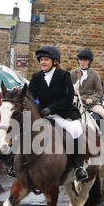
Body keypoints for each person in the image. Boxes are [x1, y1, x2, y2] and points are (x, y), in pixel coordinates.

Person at [29, 45, 88, 181]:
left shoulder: (63, 75)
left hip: (62, 113)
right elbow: (30, 96)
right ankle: (17, 163)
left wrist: (52, 109)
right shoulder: (36, 77)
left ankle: (79, 166)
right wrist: (36, 107)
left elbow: (68, 98)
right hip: (41, 114)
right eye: (41, 60)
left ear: (54, 61)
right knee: (24, 128)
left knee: (76, 130)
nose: (42, 62)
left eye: (46, 59)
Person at [70, 48, 104, 147]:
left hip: (91, 103)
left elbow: (99, 91)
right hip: (75, 102)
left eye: (85, 60)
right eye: (80, 60)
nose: (82, 62)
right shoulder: (72, 73)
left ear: (89, 61)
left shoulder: (94, 74)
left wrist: (92, 98)